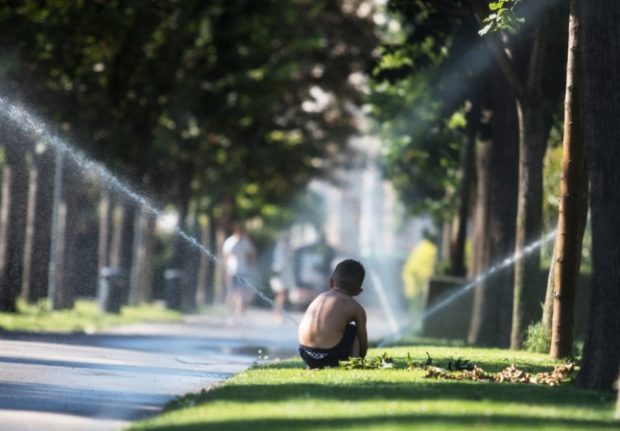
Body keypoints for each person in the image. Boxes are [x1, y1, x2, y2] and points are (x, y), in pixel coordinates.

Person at [298, 259, 368, 369]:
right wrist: (361, 357)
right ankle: (355, 364)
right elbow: (363, 342)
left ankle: (312, 366)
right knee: (353, 331)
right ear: (358, 291)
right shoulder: (356, 308)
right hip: (330, 355)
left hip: (305, 353)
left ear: (331, 282)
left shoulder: (320, 298)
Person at [222, 222, 257, 318]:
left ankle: (240, 313)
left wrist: (251, 267)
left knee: (242, 293)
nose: (241, 233)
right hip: (232, 271)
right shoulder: (229, 242)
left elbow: (252, 254)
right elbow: (226, 256)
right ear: (235, 231)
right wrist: (226, 270)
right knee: (231, 292)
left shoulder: (246, 242)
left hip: (244, 271)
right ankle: (230, 312)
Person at [270, 232, 295, 323]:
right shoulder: (280, 247)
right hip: (281, 275)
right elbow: (280, 262)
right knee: (281, 295)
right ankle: (277, 315)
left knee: (285, 295)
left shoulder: (287, 248)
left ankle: (281, 314)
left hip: (286, 275)